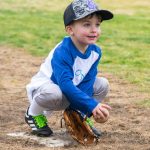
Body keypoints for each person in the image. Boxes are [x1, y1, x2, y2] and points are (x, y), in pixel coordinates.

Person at [25, 0, 113, 137]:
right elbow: (65, 84)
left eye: (97, 24)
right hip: (47, 90)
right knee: (54, 92)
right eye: (87, 24)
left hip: (69, 89)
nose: (94, 29)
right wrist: (91, 105)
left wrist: (89, 110)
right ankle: (33, 114)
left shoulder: (95, 52)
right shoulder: (63, 51)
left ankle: (78, 116)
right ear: (70, 29)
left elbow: (87, 83)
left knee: (102, 84)